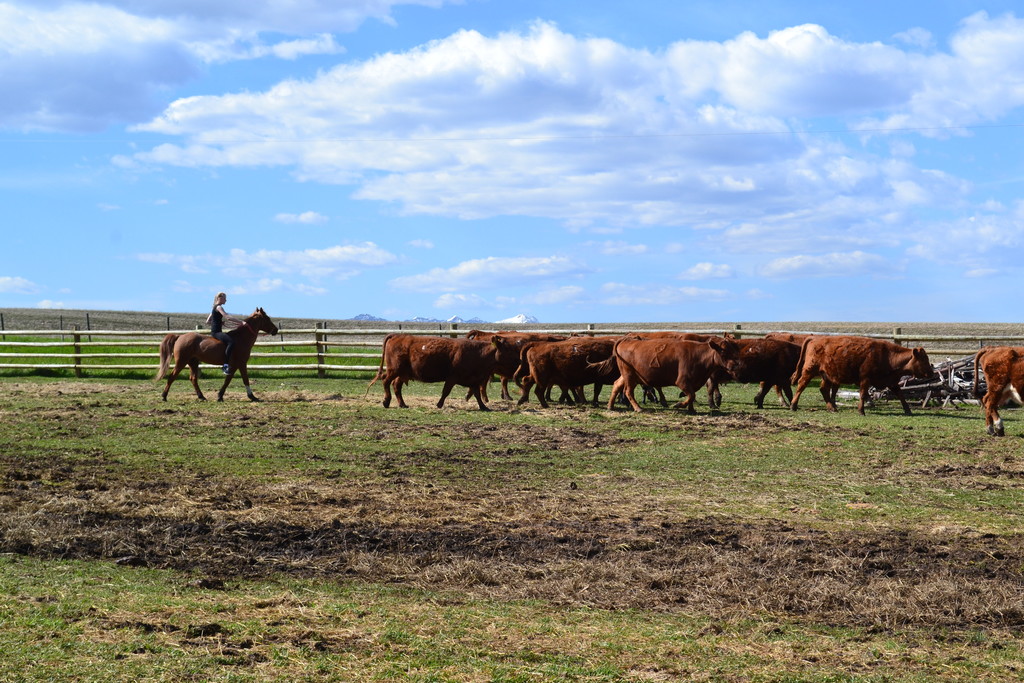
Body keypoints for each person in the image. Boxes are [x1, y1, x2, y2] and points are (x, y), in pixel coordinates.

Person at [206, 292, 243, 374]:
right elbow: (227, 317)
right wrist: (241, 322)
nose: (226, 300)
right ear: (220, 298)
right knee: (231, 342)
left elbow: (208, 321)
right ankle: (225, 365)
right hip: (217, 332)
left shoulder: (214, 307)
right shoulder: (219, 307)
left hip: (214, 331)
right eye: (224, 298)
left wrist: (219, 322)